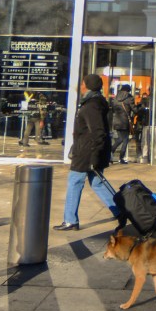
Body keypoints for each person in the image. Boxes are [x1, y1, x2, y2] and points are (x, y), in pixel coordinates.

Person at [55, 74, 119, 231]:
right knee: (97, 182)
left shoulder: (91, 106)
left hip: (87, 152)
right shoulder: (95, 102)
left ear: (88, 86)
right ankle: (121, 211)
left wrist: (94, 156)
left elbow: (98, 132)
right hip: (90, 150)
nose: (81, 86)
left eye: (83, 83)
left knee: (74, 181)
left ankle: (70, 220)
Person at [110, 84, 135, 164]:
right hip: (124, 122)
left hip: (116, 121)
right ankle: (121, 158)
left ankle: (109, 154)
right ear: (128, 90)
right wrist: (140, 107)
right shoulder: (129, 98)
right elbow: (134, 109)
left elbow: (113, 109)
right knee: (125, 140)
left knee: (120, 139)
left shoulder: (116, 98)